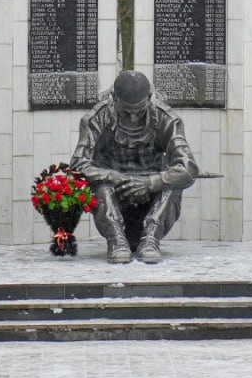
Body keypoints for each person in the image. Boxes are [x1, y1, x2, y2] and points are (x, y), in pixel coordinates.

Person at [69, 70, 198, 264]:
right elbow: (78, 166)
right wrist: (116, 177)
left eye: (139, 111)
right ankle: (116, 241)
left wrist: (152, 182)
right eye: (126, 112)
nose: (133, 118)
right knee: (101, 186)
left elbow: (188, 167)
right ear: (114, 99)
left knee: (172, 184)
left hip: (152, 203)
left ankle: (151, 240)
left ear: (149, 98)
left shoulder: (168, 119)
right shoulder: (96, 118)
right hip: (114, 199)